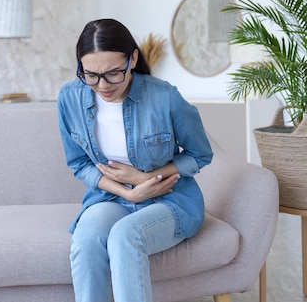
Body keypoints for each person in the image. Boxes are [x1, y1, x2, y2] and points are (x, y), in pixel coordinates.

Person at [57, 18, 213, 302]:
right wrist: (129, 190)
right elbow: (79, 163)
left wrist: (146, 179)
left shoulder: (164, 96)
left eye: (113, 73)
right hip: (110, 199)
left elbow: (200, 154)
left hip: (170, 200)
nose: (102, 85)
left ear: (133, 59)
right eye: (90, 74)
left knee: (125, 236)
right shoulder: (70, 98)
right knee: (86, 239)